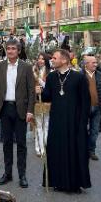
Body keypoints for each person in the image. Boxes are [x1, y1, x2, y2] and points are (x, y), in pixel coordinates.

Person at [0, 38, 35, 188]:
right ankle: (7, 173)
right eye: (8, 48)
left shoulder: (26, 67)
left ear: (18, 51)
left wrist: (30, 111)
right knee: (6, 143)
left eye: (13, 48)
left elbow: (31, 91)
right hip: (5, 108)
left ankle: (22, 175)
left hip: (21, 109)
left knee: (21, 144)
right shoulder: (0, 67)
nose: (11, 51)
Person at [40, 49, 91, 193]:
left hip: (74, 121)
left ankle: (74, 184)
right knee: (57, 150)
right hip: (57, 121)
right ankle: (57, 181)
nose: (52, 60)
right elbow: (47, 97)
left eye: (55, 58)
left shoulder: (78, 77)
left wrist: (83, 122)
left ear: (64, 60)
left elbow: (85, 102)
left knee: (74, 150)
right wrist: (40, 92)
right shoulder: (51, 77)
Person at [84, 54, 101, 161]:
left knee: (94, 131)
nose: (96, 64)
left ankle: (91, 151)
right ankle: (83, 150)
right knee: (82, 130)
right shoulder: (79, 75)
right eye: (93, 62)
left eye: (96, 62)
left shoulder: (100, 75)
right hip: (83, 108)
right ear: (86, 64)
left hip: (98, 107)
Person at [33, 53, 51, 157]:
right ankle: (39, 148)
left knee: (46, 125)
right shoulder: (33, 71)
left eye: (43, 59)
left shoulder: (50, 72)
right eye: (39, 59)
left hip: (47, 101)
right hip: (36, 101)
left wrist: (38, 79)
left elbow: (48, 87)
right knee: (38, 125)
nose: (40, 61)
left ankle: (44, 145)